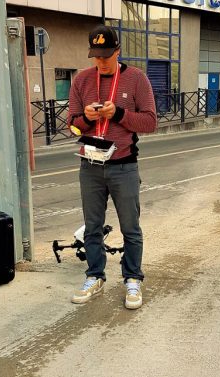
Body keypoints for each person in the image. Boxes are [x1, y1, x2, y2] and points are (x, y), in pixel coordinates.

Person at [66, 25, 157, 309]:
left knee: (131, 227)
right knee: (92, 227)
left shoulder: (136, 79)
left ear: (117, 51)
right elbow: (71, 125)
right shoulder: (81, 81)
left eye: (107, 55)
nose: (101, 61)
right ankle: (95, 276)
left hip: (124, 165)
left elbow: (151, 122)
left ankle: (132, 279)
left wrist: (118, 113)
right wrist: (86, 119)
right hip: (90, 164)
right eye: (97, 55)